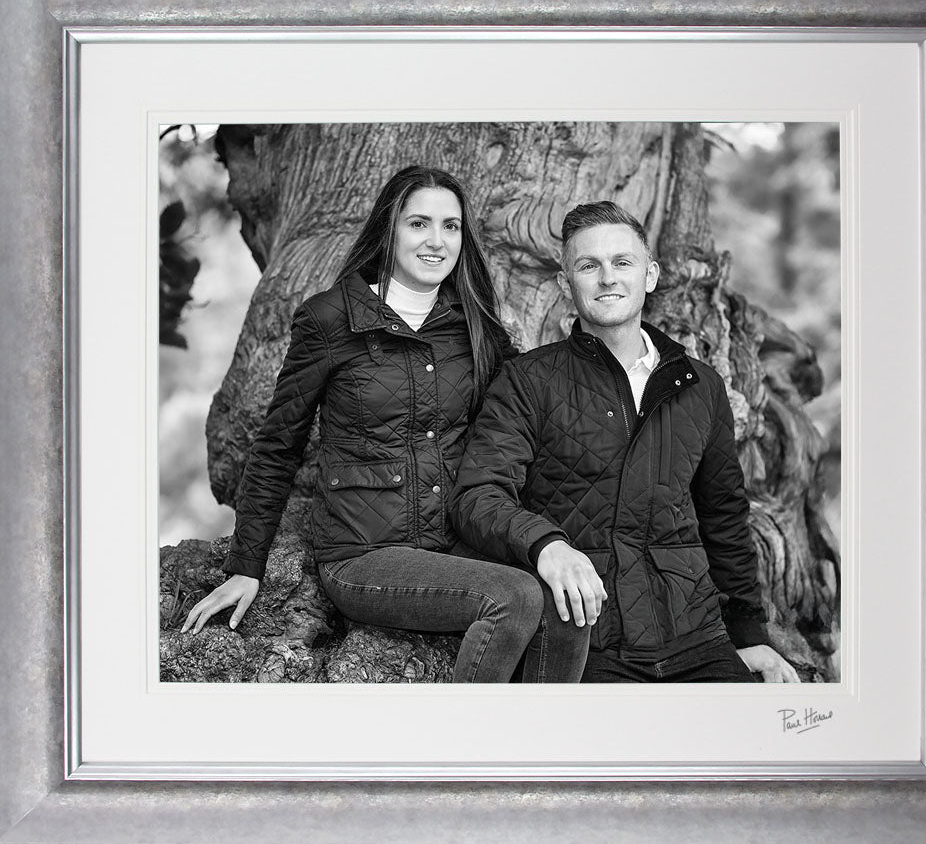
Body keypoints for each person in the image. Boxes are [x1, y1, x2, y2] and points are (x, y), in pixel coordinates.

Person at [182, 165, 548, 684]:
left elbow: (527, 417)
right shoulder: (331, 319)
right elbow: (277, 446)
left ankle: (542, 752)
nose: (436, 241)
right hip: (363, 554)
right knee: (514, 597)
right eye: (419, 223)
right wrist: (246, 565)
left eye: (451, 227)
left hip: (456, 543)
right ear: (389, 228)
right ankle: (466, 755)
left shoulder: (475, 327)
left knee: (566, 598)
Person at [450, 201, 800, 684]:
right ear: (565, 285)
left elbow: (724, 517)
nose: (607, 278)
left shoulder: (702, 386)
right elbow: (476, 496)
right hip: (588, 639)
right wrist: (545, 545)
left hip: (697, 639)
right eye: (588, 265)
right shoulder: (528, 381)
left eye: (622, 262)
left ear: (650, 275)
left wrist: (748, 636)